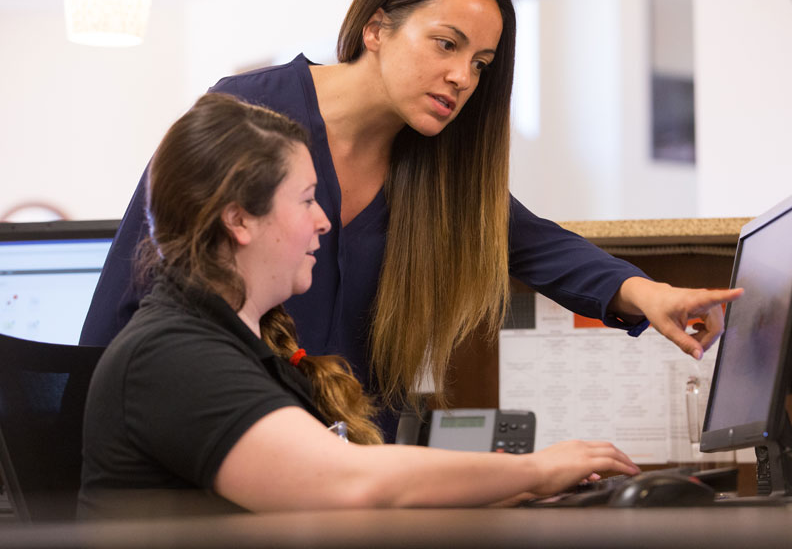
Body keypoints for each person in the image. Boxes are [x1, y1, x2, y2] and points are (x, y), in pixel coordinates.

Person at [80, 0, 742, 440]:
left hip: (358, 466)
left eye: (481, 65)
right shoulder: (248, 112)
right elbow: (130, 292)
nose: (461, 77)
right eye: (446, 45)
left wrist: (653, 296)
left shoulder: (431, 173)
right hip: (230, 453)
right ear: (376, 29)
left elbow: (534, 243)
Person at [79, 93, 641, 517]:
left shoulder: (242, 346)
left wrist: (524, 486)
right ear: (238, 219)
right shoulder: (172, 356)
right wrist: (536, 470)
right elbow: (351, 482)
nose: (324, 219)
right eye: (305, 200)